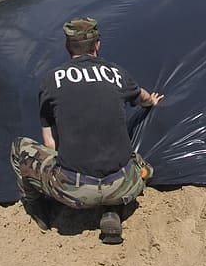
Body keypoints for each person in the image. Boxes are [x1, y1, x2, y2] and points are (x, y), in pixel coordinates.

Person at [10, 17, 164, 245]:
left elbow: (50, 142)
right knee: (138, 163)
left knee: (18, 147)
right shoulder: (116, 73)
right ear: (97, 45)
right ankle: (111, 209)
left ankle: (38, 208)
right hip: (123, 185)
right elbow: (142, 97)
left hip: (74, 192)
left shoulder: (50, 81)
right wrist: (151, 101)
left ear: (67, 47)